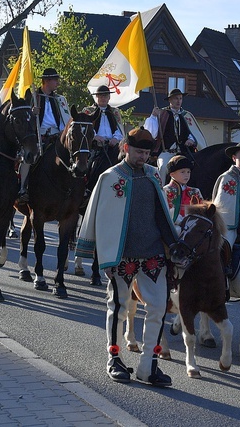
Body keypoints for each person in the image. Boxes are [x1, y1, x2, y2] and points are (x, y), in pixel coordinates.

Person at [75, 127, 177, 387]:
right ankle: (114, 358)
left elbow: (163, 214)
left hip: (153, 253)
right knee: (119, 307)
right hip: (123, 255)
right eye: (138, 151)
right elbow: (99, 216)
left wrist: (174, 245)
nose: (143, 156)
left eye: (146, 152)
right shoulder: (110, 177)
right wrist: (103, 256)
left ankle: (148, 365)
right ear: (125, 148)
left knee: (157, 309)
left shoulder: (154, 175)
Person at [17, 67, 72, 203]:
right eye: (55, 80)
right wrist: (31, 112)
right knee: (28, 158)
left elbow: (67, 119)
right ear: (47, 81)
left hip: (57, 137)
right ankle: (22, 188)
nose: (57, 83)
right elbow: (23, 117)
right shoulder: (32, 97)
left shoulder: (60, 99)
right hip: (37, 136)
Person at [143, 88, 205, 183]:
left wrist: (191, 140)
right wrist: (153, 116)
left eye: (180, 98)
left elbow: (192, 132)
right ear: (170, 100)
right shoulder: (162, 113)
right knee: (163, 167)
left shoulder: (186, 115)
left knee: (196, 166)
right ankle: (161, 191)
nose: (179, 101)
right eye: (176, 98)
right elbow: (152, 132)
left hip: (183, 152)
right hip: (166, 152)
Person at [82, 84, 124, 170]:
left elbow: (119, 128)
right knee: (88, 166)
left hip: (112, 146)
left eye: (105, 96)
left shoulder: (114, 112)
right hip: (95, 145)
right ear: (96, 97)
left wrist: (115, 139)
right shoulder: (88, 111)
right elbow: (84, 128)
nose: (103, 98)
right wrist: (95, 136)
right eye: (101, 96)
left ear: (109, 97)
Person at [163, 155, 203, 224]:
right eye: (182, 172)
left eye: (188, 172)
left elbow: (202, 210)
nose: (186, 175)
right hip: (174, 225)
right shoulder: (166, 190)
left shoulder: (195, 191)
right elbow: (168, 212)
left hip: (193, 225)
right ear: (172, 174)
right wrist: (183, 223)